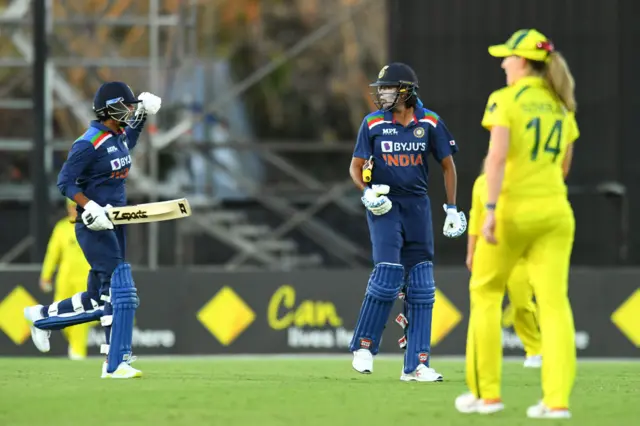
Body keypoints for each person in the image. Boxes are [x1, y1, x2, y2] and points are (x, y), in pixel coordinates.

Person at [454, 29, 579, 419]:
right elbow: (563, 167)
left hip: (510, 212)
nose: (504, 64)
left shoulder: (505, 101)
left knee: (486, 295)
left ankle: (486, 395)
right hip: (556, 213)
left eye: (508, 58)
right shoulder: (562, 105)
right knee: (555, 306)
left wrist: (489, 210)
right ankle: (556, 402)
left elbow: (496, 160)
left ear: (523, 62)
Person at [23, 81, 162, 379]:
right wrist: (89, 206)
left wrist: (143, 114)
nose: (129, 110)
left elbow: (129, 143)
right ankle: (116, 363)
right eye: (125, 106)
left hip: (116, 222)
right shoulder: (88, 143)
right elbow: (65, 181)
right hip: (94, 224)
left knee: (97, 298)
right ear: (109, 108)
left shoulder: (118, 136)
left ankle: (42, 317)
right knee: (120, 290)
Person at [348, 62, 467, 382]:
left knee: (423, 284)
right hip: (385, 205)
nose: (382, 93)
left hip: (417, 206)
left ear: (406, 90)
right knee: (387, 273)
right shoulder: (372, 123)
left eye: (388, 88)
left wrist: (452, 208)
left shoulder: (429, 121)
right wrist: (367, 192)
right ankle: (363, 346)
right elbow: (356, 166)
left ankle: (416, 365)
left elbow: (448, 165)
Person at [466, 161, 542, 368]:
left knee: (521, 302)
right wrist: (471, 252)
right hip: (488, 251)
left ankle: (535, 350)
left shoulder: (521, 183)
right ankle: (483, 352)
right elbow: (475, 218)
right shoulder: (481, 183)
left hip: (518, 254)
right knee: (484, 302)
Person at [39, 198, 93, 360]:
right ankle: (75, 346)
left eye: (77, 207)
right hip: (65, 280)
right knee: (60, 314)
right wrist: (46, 276)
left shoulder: (91, 226)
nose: (73, 210)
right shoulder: (61, 228)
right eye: (71, 207)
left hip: (86, 279)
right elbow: (52, 254)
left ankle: (77, 351)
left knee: (82, 316)